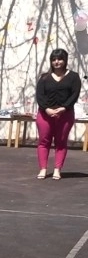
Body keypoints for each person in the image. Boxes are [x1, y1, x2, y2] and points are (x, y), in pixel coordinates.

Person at [34, 48, 81, 180]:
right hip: (45, 114)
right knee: (44, 141)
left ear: (65, 60)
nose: (57, 62)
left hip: (65, 114)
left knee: (61, 142)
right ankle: (43, 169)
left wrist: (64, 108)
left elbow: (74, 95)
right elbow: (40, 95)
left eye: (60, 59)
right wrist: (47, 109)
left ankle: (57, 169)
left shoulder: (73, 77)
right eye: (54, 59)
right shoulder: (44, 77)